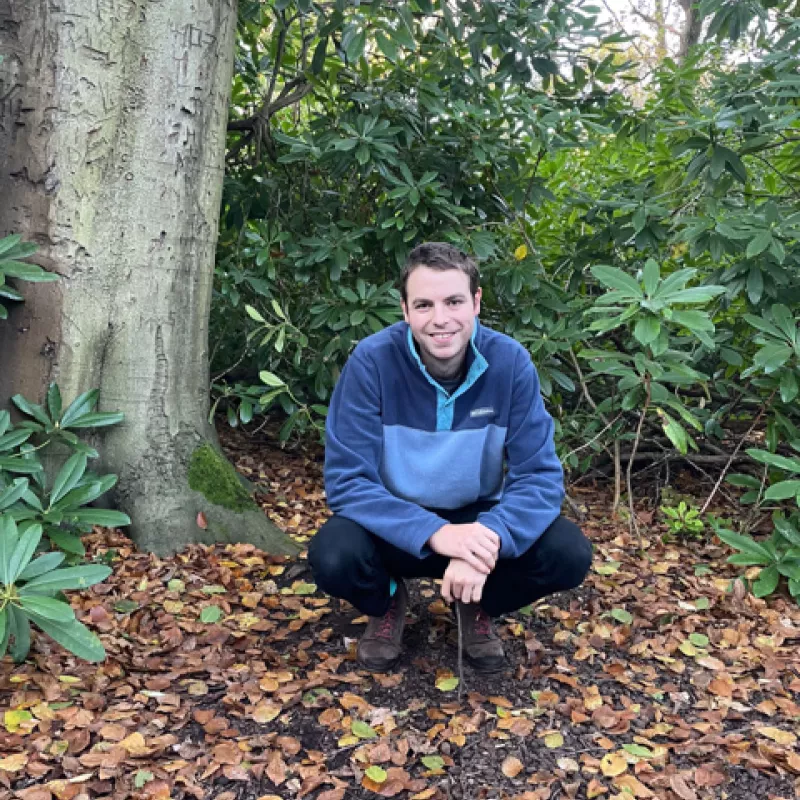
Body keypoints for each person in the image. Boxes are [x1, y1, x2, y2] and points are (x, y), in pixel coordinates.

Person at [308, 242, 592, 673]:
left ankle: (476, 604)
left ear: (476, 302)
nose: (440, 319)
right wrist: (437, 533)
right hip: (396, 524)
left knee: (567, 552)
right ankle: (386, 602)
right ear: (405, 310)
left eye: (454, 301)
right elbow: (348, 482)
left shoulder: (510, 362)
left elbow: (539, 477)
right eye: (424, 304)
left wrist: (485, 539)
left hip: (477, 521)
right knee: (333, 554)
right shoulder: (372, 362)